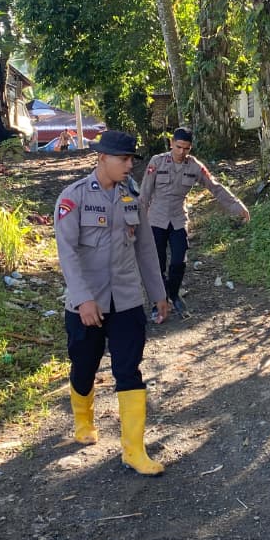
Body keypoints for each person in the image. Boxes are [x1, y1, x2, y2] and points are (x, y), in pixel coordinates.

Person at [54, 130, 170, 475]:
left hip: (127, 300)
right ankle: (83, 420)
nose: (129, 165)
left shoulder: (131, 198)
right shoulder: (73, 197)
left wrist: (158, 293)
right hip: (87, 303)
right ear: (102, 158)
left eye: (132, 159)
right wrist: (83, 299)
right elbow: (67, 253)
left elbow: (146, 249)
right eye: (123, 159)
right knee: (84, 366)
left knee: (129, 369)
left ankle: (134, 451)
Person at [141, 127, 250, 320]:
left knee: (179, 261)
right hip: (156, 219)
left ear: (190, 148)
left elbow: (215, 187)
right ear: (171, 143)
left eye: (186, 148)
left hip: (178, 219)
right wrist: (137, 222)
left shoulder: (194, 166)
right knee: (157, 263)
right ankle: (159, 301)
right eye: (178, 147)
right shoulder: (157, 162)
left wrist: (236, 205)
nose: (181, 152)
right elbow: (144, 194)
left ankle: (173, 294)